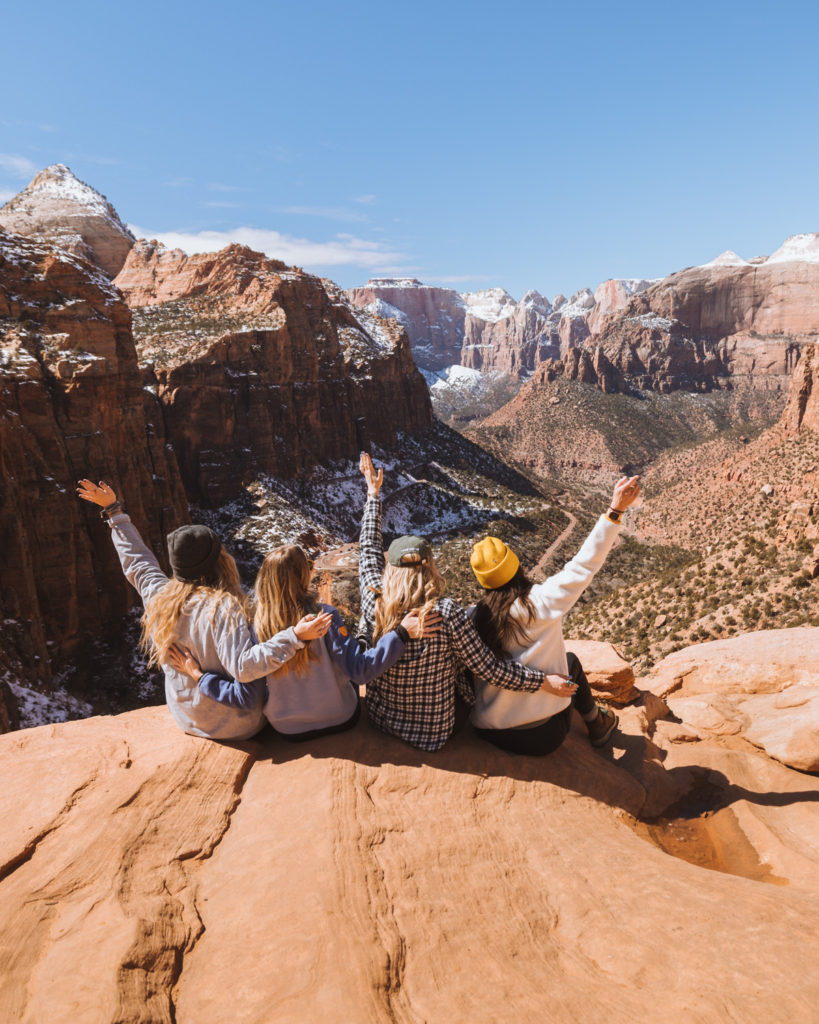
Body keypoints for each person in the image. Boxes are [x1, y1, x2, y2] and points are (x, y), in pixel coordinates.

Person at [76, 479, 331, 741]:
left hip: (187, 719)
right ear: (220, 562)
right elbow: (244, 668)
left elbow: (137, 562)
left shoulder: (158, 596)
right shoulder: (223, 608)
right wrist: (294, 637)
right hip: (236, 726)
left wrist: (114, 513)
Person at [357, 453, 573, 752]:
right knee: (466, 657)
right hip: (436, 731)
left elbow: (367, 551)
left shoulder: (373, 600)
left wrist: (372, 495)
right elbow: (490, 669)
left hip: (382, 719)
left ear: (390, 570)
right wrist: (542, 682)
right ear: (430, 566)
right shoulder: (446, 613)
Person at [165, 543, 439, 740]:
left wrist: (199, 677)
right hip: (340, 718)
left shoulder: (256, 626)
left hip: (288, 730)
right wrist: (400, 633)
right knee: (357, 651)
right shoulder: (324, 617)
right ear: (303, 576)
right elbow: (361, 671)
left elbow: (250, 695)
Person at [468, 475, 641, 756]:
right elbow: (584, 565)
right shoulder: (541, 602)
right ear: (515, 566)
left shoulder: (473, 617)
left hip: (489, 731)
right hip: (543, 736)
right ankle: (597, 722)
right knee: (570, 662)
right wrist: (615, 510)